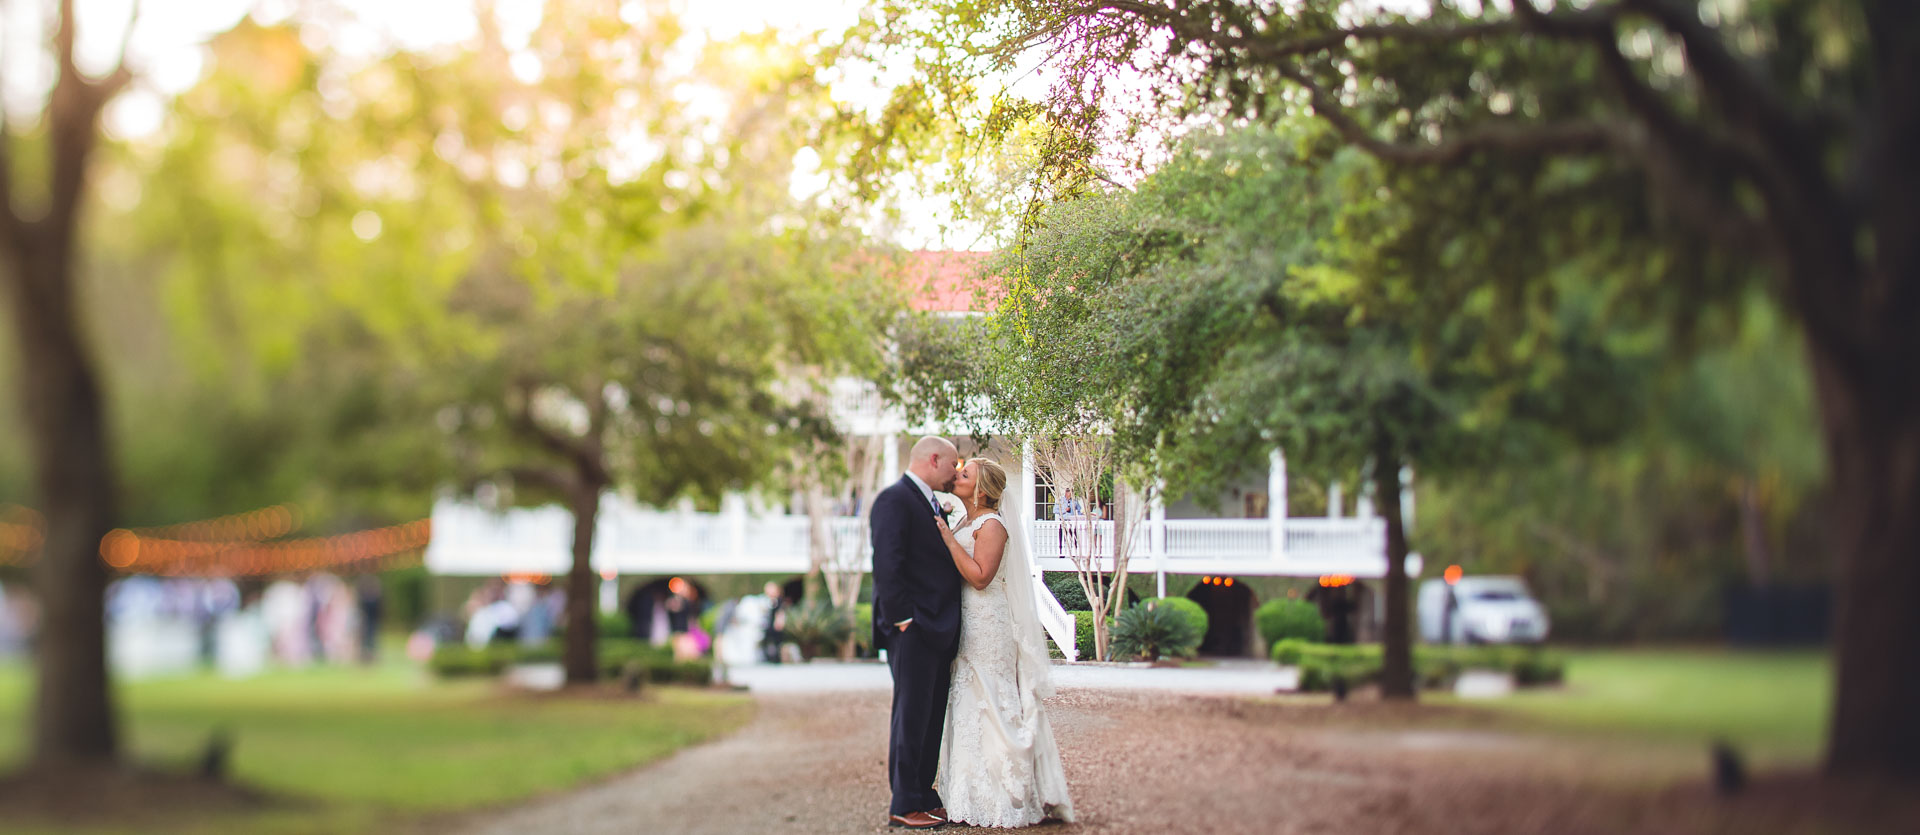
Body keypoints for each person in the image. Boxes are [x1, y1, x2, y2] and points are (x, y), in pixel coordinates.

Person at [931, 457, 1075, 827]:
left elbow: (980, 577)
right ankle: (965, 793)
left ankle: (1004, 795)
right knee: (965, 700)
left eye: (964, 474)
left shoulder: (992, 524)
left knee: (991, 699)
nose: (956, 476)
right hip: (966, 621)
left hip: (988, 624)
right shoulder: (966, 521)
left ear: (982, 488)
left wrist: (948, 539)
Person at [870, 436, 964, 830]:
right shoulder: (895, 499)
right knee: (910, 716)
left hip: (935, 627)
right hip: (913, 628)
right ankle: (904, 802)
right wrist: (904, 619)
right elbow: (887, 562)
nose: (955, 474)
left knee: (929, 717)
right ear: (934, 458)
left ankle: (923, 794)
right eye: (953, 466)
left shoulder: (927, 500)